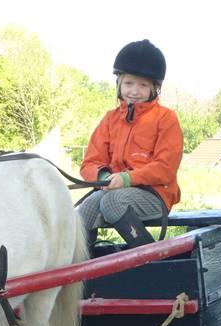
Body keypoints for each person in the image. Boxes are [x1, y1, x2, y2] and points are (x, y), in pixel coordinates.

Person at [78, 39, 183, 249]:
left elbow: (165, 167)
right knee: (83, 211)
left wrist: (127, 178)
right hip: (114, 190)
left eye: (142, 85)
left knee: (113, 203)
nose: (134, 91)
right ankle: (83, 272)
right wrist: (103, 178)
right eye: (128, 84)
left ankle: (151, 260)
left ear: (155, 88)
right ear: (119, 84)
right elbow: (90, 162)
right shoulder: (110, 119)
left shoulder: (166, 118)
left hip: (155, 194)